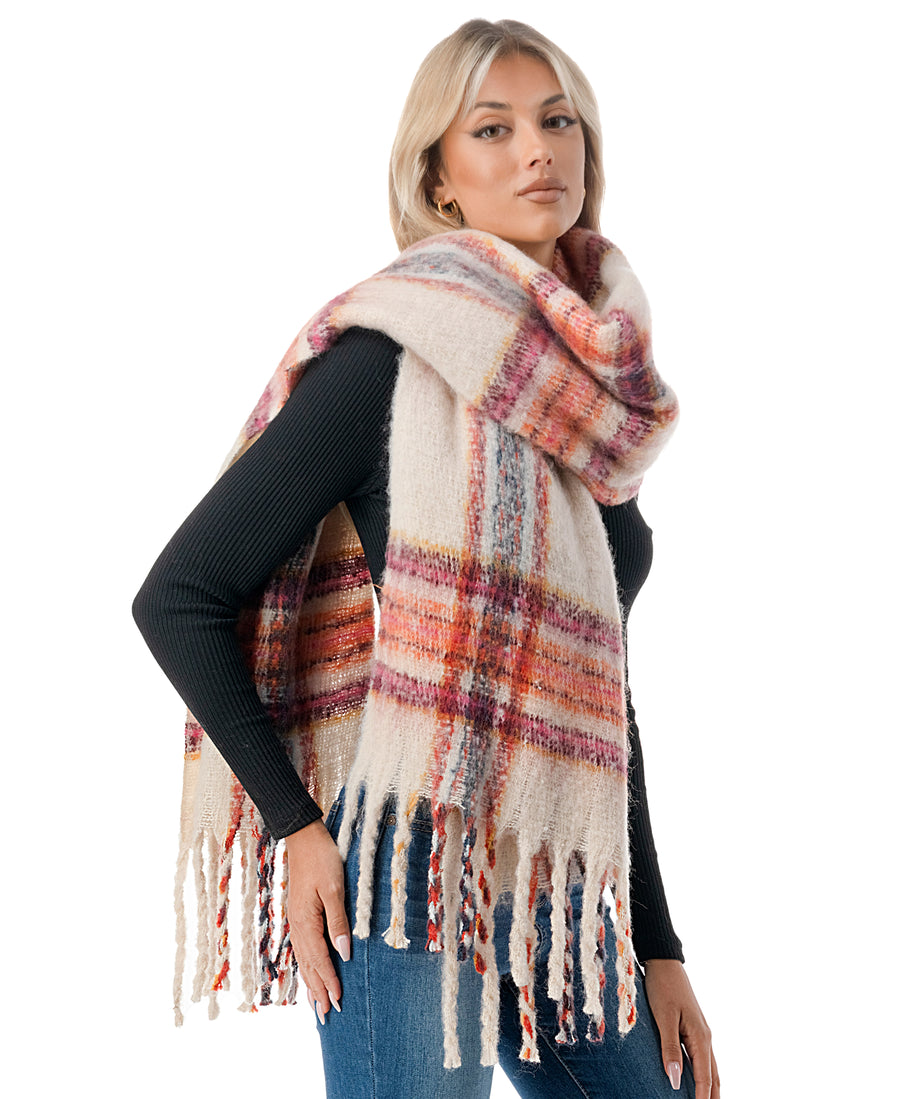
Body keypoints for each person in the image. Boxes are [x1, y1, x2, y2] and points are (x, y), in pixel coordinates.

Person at [133, 18, 720, 1099]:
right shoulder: (387, 360)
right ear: (438, 180)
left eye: (557, 121)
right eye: (492, 129)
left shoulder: (589, 400)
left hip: (551, 863)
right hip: (402, 864)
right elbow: (180, 595)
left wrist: (658, 942)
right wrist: (298, 828)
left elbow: (597, 695)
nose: (536, 150)